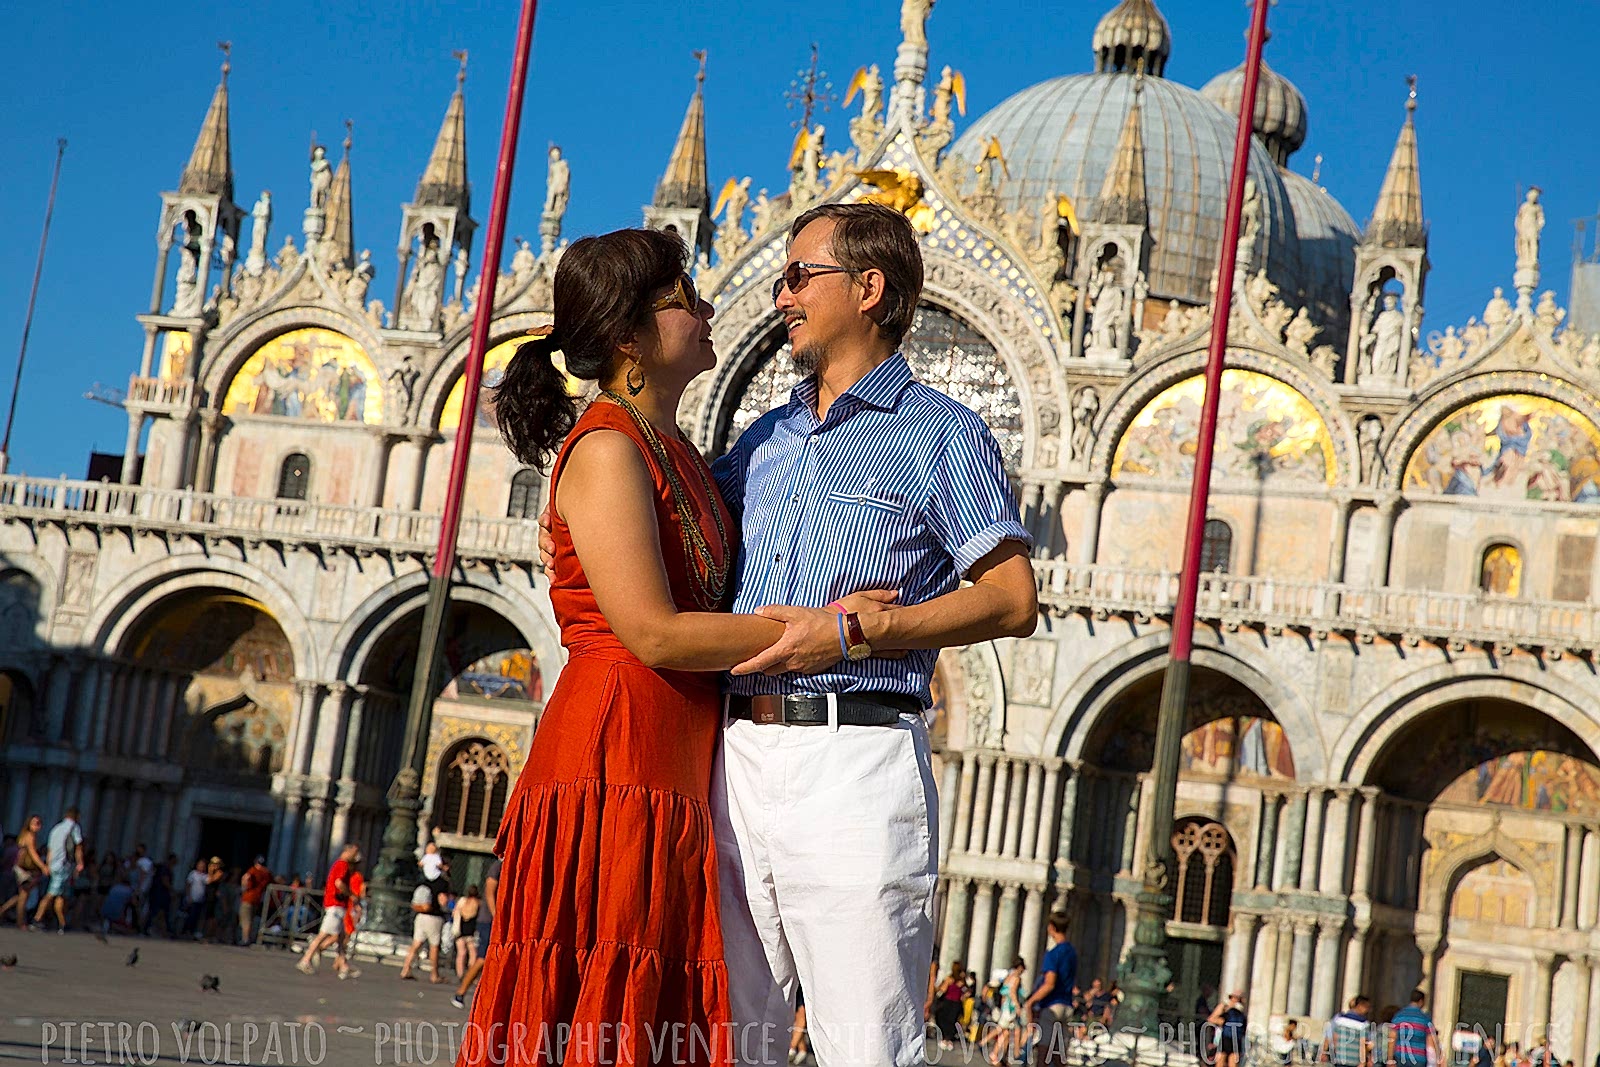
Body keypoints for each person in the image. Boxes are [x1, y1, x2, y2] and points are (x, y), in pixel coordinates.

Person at [463, 227, 900, 1067]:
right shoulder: (605, 448)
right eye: (684, 301)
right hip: (614, 750)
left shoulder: (682, 454)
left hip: (677, 756)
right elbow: (652, 629)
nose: (708, 311)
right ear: (629, 338)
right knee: (600, 987)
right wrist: (825, 630)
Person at [706, 202, 1036, 1066]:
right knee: (734, 1042)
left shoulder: (942, 433)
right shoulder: (763, 439)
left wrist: (868, 630)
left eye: (797, 276)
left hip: (853, 762)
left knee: (865, 1046)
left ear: (869, 287)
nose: (781, 296)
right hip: (738, 758)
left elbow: (1011, 598)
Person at [296, 842, 360, 979]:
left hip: (337, 905)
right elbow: (339, 883)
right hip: (336, 904)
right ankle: (305, 959)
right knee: (323, 935)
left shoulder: (340, 864)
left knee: (340, 937)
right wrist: (351, 895)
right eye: (354, 853)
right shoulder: (342, 865)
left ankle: (344, 966)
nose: (356, 857)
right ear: (347, 852)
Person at [1022, 913, 1078, 1066]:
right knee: (1059, 1057)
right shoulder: (1072, 952)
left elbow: (1049, 984)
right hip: (1067, 1006)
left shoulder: (1053, 954)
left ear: (1052, 928)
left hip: (1052, 1006)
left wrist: (1031, 1001)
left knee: (1043, 1055)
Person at [450, 858, 497, 1010]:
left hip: (499, 921)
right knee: (483, 958)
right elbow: (490, 892)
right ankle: (460, 992)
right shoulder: (499, 866)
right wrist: (497, 916)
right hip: (489, 921)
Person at [399, 851, 451, 983]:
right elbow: (443, 900)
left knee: (416, 943)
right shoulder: (442, 883)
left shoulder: (423, 881)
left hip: (420, 915)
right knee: (434, 945)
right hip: (434, 917)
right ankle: (434, 974)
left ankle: (406, 969)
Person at [33, 806, 85, 932]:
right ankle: (37, 919)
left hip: (54, 864)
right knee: (51, 893)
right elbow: (78, 846)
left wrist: (48, 864)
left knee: (60, 895)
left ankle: (62, 923)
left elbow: (50, 848)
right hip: (63, 865)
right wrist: (80, 862)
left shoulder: (56, 828)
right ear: (76, 816)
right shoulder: (74, 827)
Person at [982, 958, 1026, 1066]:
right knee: (1006, 1029)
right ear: (1020, 967)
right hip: (1010, 1007)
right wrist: (1017, 1006)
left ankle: (1000, 1056)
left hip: (1005, 1006)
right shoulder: (1016, 978)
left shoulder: (1007, 977)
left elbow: (1004, 992)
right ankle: (986, 1043)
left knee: (1006, 1032)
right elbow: (1013, 993)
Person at [6, 814, 44, 929]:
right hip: (23, 869)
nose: (37, 826)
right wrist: (43, 866)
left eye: (39, 824)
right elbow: (33, 854)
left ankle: (4, 911)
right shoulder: (29, 836)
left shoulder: (26, 835)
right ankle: (20, 922)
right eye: (35, 823)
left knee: (22, 894)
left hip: (22, 868)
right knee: (23, 895)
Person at [1391, 989, 1440, 1067]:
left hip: (1401, 1056)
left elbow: (1392, 1037)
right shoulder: (1424, 1018)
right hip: (1418, 1058)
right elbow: (1431, 1040)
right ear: (1421, 1001)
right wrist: (1437, 1059)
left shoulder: (1398, 1016)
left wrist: (1390, 1059)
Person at [1324, 994, 1373, 1067]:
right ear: (1360, 1006)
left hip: (1339, 1058)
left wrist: (1324, 1051)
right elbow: (1364, 1043)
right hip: (1354, 1060)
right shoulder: (1364, 1024)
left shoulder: (1338, 1019)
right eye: (1367, 1007)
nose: (1368, 1010)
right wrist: (1363, 1062)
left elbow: (1329, 1035)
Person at [930, 962, 967, 1049]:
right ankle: (949, 1039)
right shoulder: (962, 980)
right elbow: (965, 992)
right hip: (957, 1003)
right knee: (952, 1021)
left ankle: (944, 1039)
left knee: (943, 1020)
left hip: (948, 1002)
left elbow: (943, 989)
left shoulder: (949, 979)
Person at [1207, 991, 1248, 1067]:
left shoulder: (1241, 1011)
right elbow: (1211, 1019)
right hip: (1226, 1038)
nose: (1236, 1000)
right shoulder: (1226, 1009)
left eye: (1238, 998)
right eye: (1234, 998)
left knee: (1233, 1061)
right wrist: (1223, 1009)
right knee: (1221, 1060)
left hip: (1236, 1039)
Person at [239, 856, 272, 946]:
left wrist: (243, 888)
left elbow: (246, 878)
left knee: (246, 920)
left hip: (248, 897)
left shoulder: (253, 870)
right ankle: (251, 938)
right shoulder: (266, 873)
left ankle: (245, 939)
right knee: (252, 919)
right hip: (257, 899)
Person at [451, 884, 481, 977]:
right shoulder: (478, 903)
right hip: (471, 931)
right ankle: (471, 974)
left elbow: (454, 913)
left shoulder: (461, 901)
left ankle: (460, 973)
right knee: (473, 954)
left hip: (460, 930)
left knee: (461, 953)